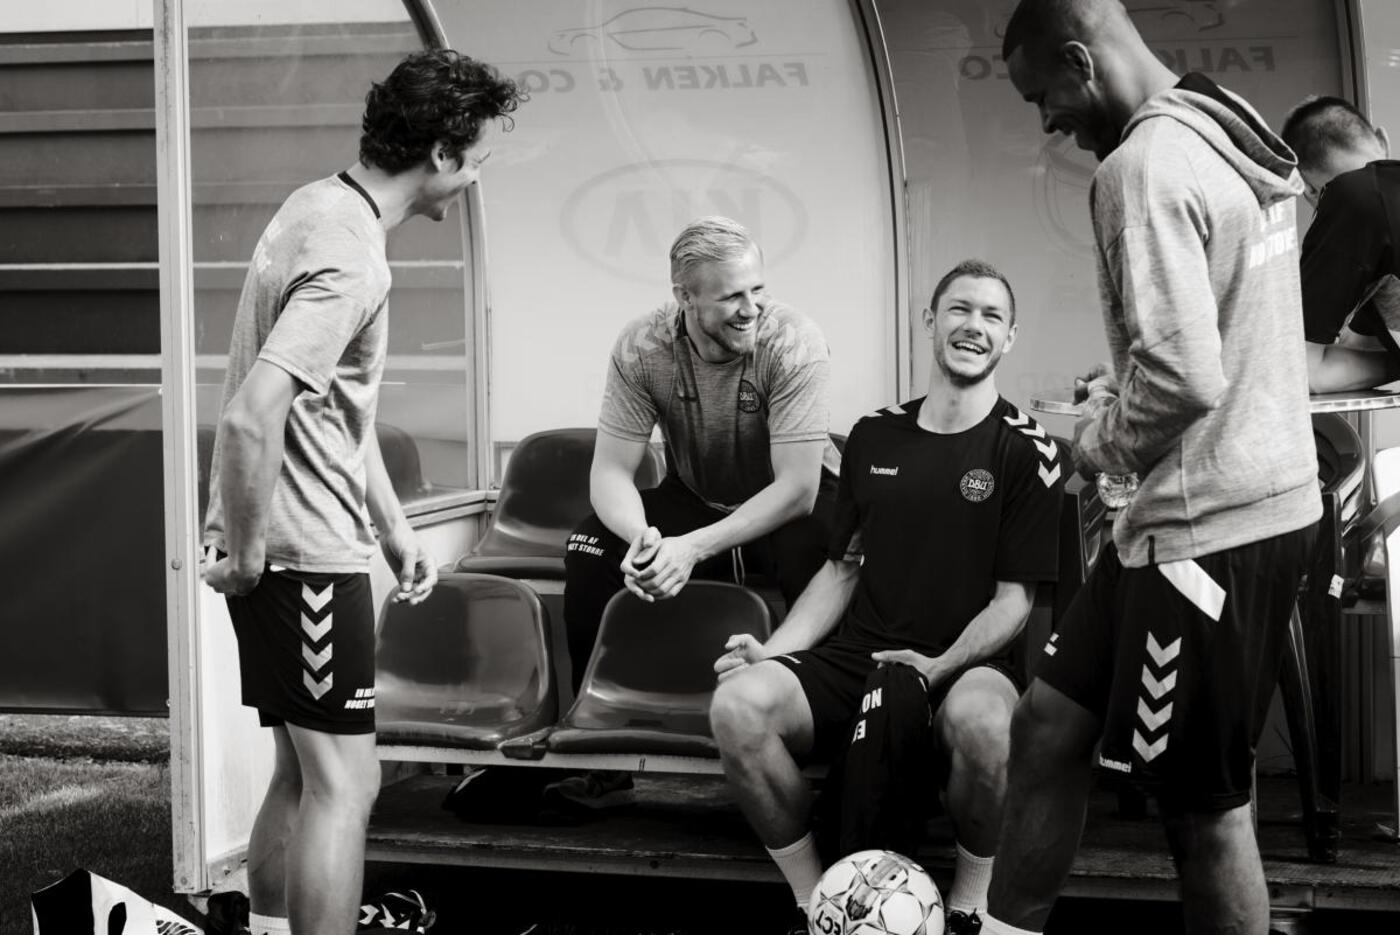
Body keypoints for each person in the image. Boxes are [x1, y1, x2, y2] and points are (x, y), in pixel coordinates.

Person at [984, 2, 1323, 934]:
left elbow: (1182, 378)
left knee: (1202, 810)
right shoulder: (1224, 122)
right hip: (1193, 515)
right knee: (1046, 725)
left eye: (1042, 96)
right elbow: (1210, 334)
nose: (1046, 120)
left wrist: (1091, 446)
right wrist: (1126, 389)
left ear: (1080, 60)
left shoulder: (1140, 167)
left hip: (1208, 532)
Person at [200, 50, 523, 935]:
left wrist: (392, 526)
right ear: (443, 153)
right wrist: (253, 550)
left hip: (297, 549)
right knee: (349, 783)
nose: (477, 177)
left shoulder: (317, 205)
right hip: (302, 557)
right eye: (478, 159)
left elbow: (334, 408)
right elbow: (252, 418)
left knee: (303, 774)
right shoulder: (353, 260)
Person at [709, 260, 1064, 935]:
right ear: (930, 320)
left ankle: (969, 906)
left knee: (988, 724)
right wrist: (773, 653)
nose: (974, 326)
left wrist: (936, 666)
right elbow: (840, 571)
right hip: (860, 657)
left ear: (1010, 338)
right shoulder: (874, 434)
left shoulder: (1029, 450)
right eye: (960, 309)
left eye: (992, 316)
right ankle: (819, 900)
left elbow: (1013, 602)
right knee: (737, 706)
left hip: (965, 665)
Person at [552, 216, 841, 809]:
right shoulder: (643, 346)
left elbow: (797, 489)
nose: (751, 309)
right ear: (684, 297)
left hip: (791, 500)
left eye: (757, 289)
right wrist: (643, 539)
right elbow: (610, 473)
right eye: (732, 296)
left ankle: (823, 744)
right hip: (698, 495)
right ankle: (599, 746)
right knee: (590, 546)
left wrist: (692, 547)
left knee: (825, 550)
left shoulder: (793, 341)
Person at [1279, 95, 1400, 392]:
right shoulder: (1380, 244)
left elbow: (1302, 370)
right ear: (1382, 140)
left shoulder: (1352, 199)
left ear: (1305, 187)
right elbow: (1357, 341)